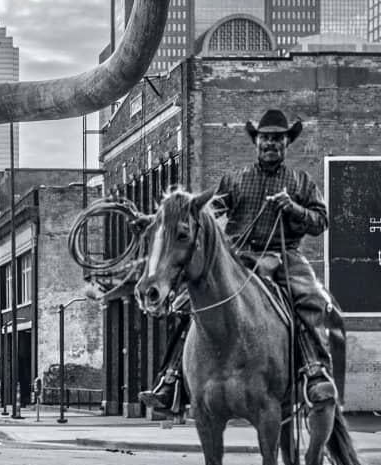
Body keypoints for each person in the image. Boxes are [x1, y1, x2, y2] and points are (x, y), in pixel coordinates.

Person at [139, 107, 341, 409]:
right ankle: (170, 380)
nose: (271, 144)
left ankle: (314, 371)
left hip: (284, 255)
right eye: (265, 138)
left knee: (311, 297)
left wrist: (293, 209)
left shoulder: (301, 182)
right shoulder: (234, 180)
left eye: (277, 139)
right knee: (184, 304)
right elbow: (208, 215)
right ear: (256, 141)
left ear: (287, 143)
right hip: (240, 257)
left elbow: (321, 221)